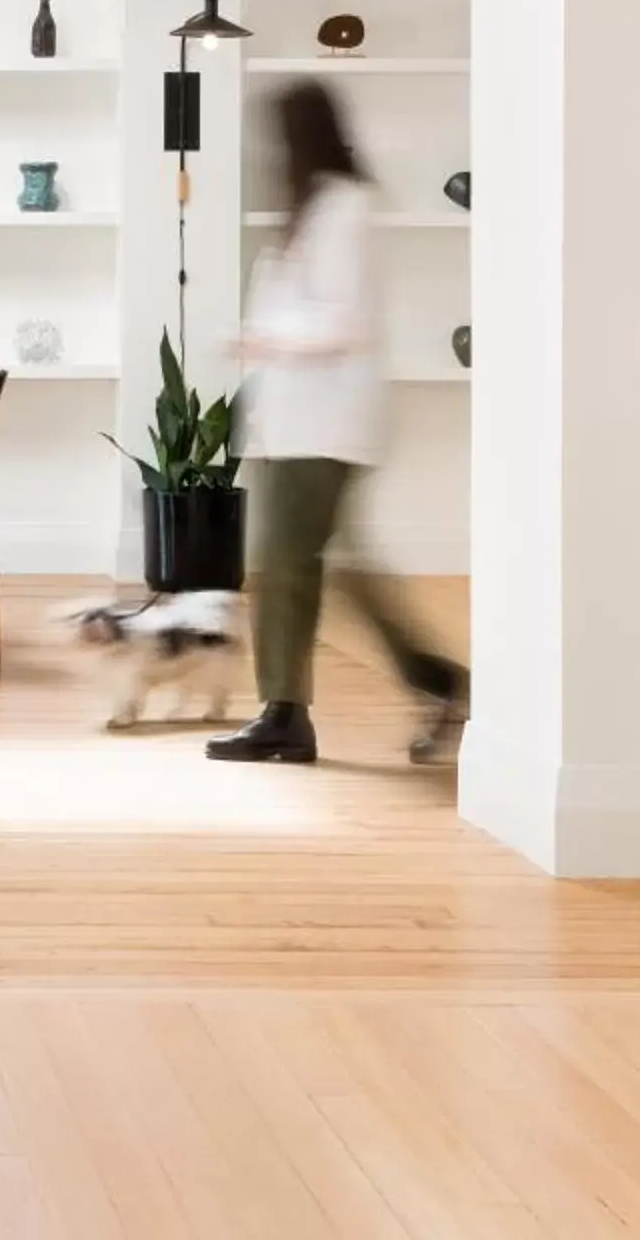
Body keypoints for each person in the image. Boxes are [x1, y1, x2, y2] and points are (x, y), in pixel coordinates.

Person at [209, 79, 467, 766]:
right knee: (331, 566)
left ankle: (285, 714)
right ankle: (439, 683)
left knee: (284, 564)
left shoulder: (344, 208)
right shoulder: (313, 209)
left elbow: (345, 321)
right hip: (293, 420)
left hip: (326, 421)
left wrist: (263, 339)